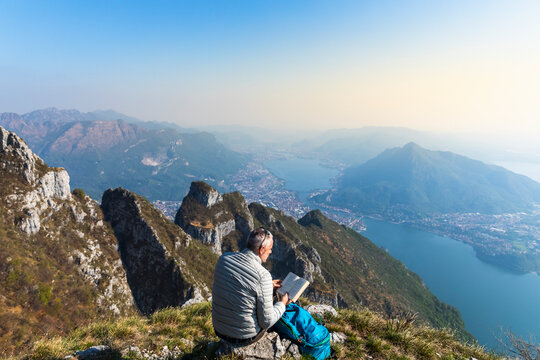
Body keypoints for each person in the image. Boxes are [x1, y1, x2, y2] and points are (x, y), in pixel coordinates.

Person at [212, 227, 290, 345]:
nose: (271, 252)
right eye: (270, 249)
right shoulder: (262, 275)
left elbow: (240, 284)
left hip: (219, 329)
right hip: (243, 337)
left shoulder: (224, 259)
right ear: (262, 250)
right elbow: (266, 322)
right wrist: (282, 304)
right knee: (276, 317)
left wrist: (268, 285)